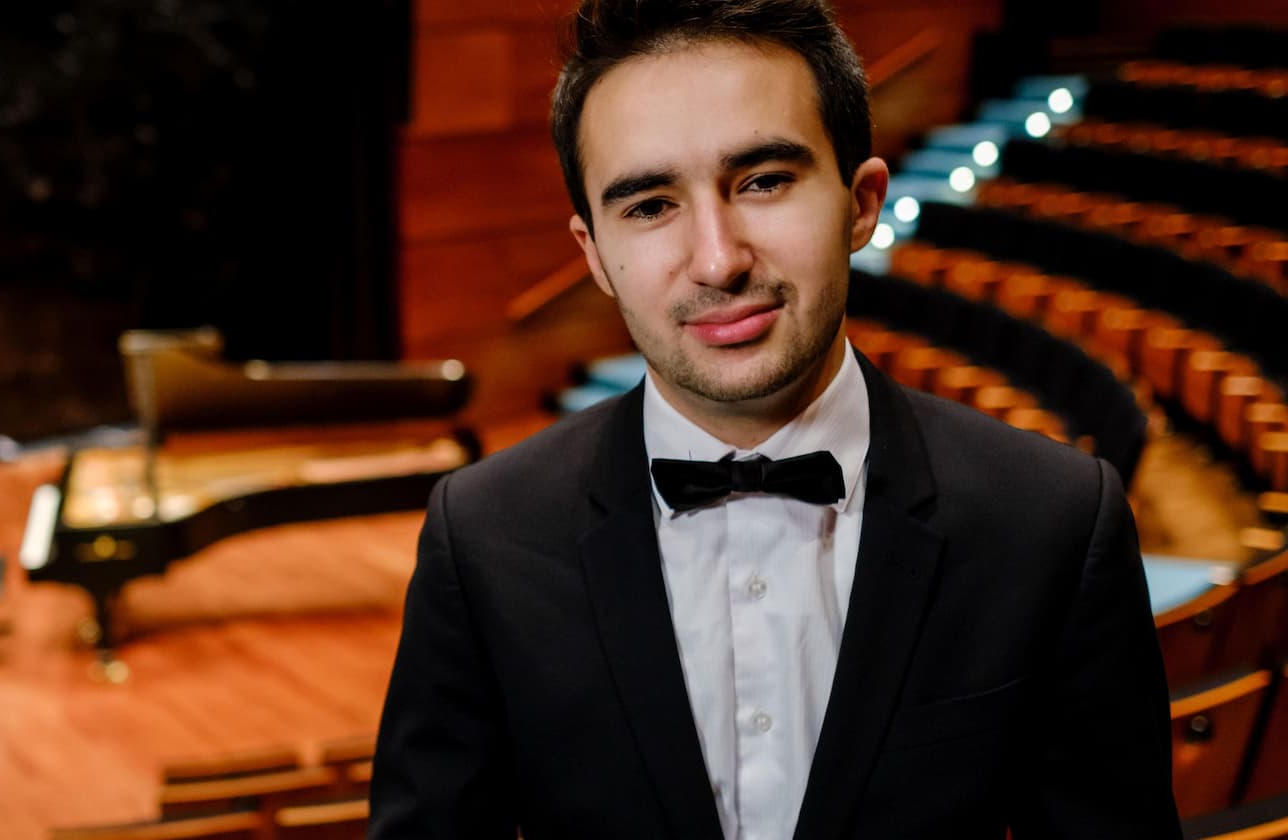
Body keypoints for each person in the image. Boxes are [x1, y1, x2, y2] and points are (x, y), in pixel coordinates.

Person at [368, 0, 1180, 837]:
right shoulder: (482, 537)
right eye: (649, 205)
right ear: (594, 257)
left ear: (860, 203)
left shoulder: (1052, 519)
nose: (718, 259)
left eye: (763, 181)